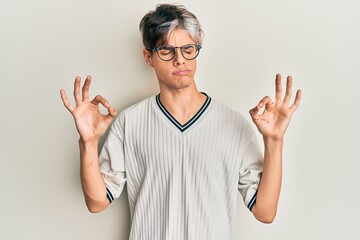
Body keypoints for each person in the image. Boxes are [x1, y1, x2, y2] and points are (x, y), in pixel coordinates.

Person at [60, 4, 301, 240]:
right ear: (148, 57)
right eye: (167, 50)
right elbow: (97, 202)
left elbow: (265, 212)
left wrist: (274, 140)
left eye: (188, 49)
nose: (180, 60)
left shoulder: (234, 124)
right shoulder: (130, 122)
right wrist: (88, 142)